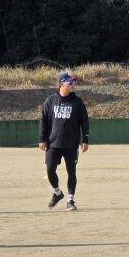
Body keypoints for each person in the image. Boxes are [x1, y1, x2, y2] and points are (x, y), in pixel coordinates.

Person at [39, 71, 89, 210]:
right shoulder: (50, 101)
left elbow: (84, 122)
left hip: (71, 144)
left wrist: (85, 139)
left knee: (71, 171)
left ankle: (70, 200)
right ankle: (57, 193)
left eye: (74, 82)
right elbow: (43, 121)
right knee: (50, 170)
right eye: (70, 82)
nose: (73, 84)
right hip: (53, 143)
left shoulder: (77, 102)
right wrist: (42, 139)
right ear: (62, 83)